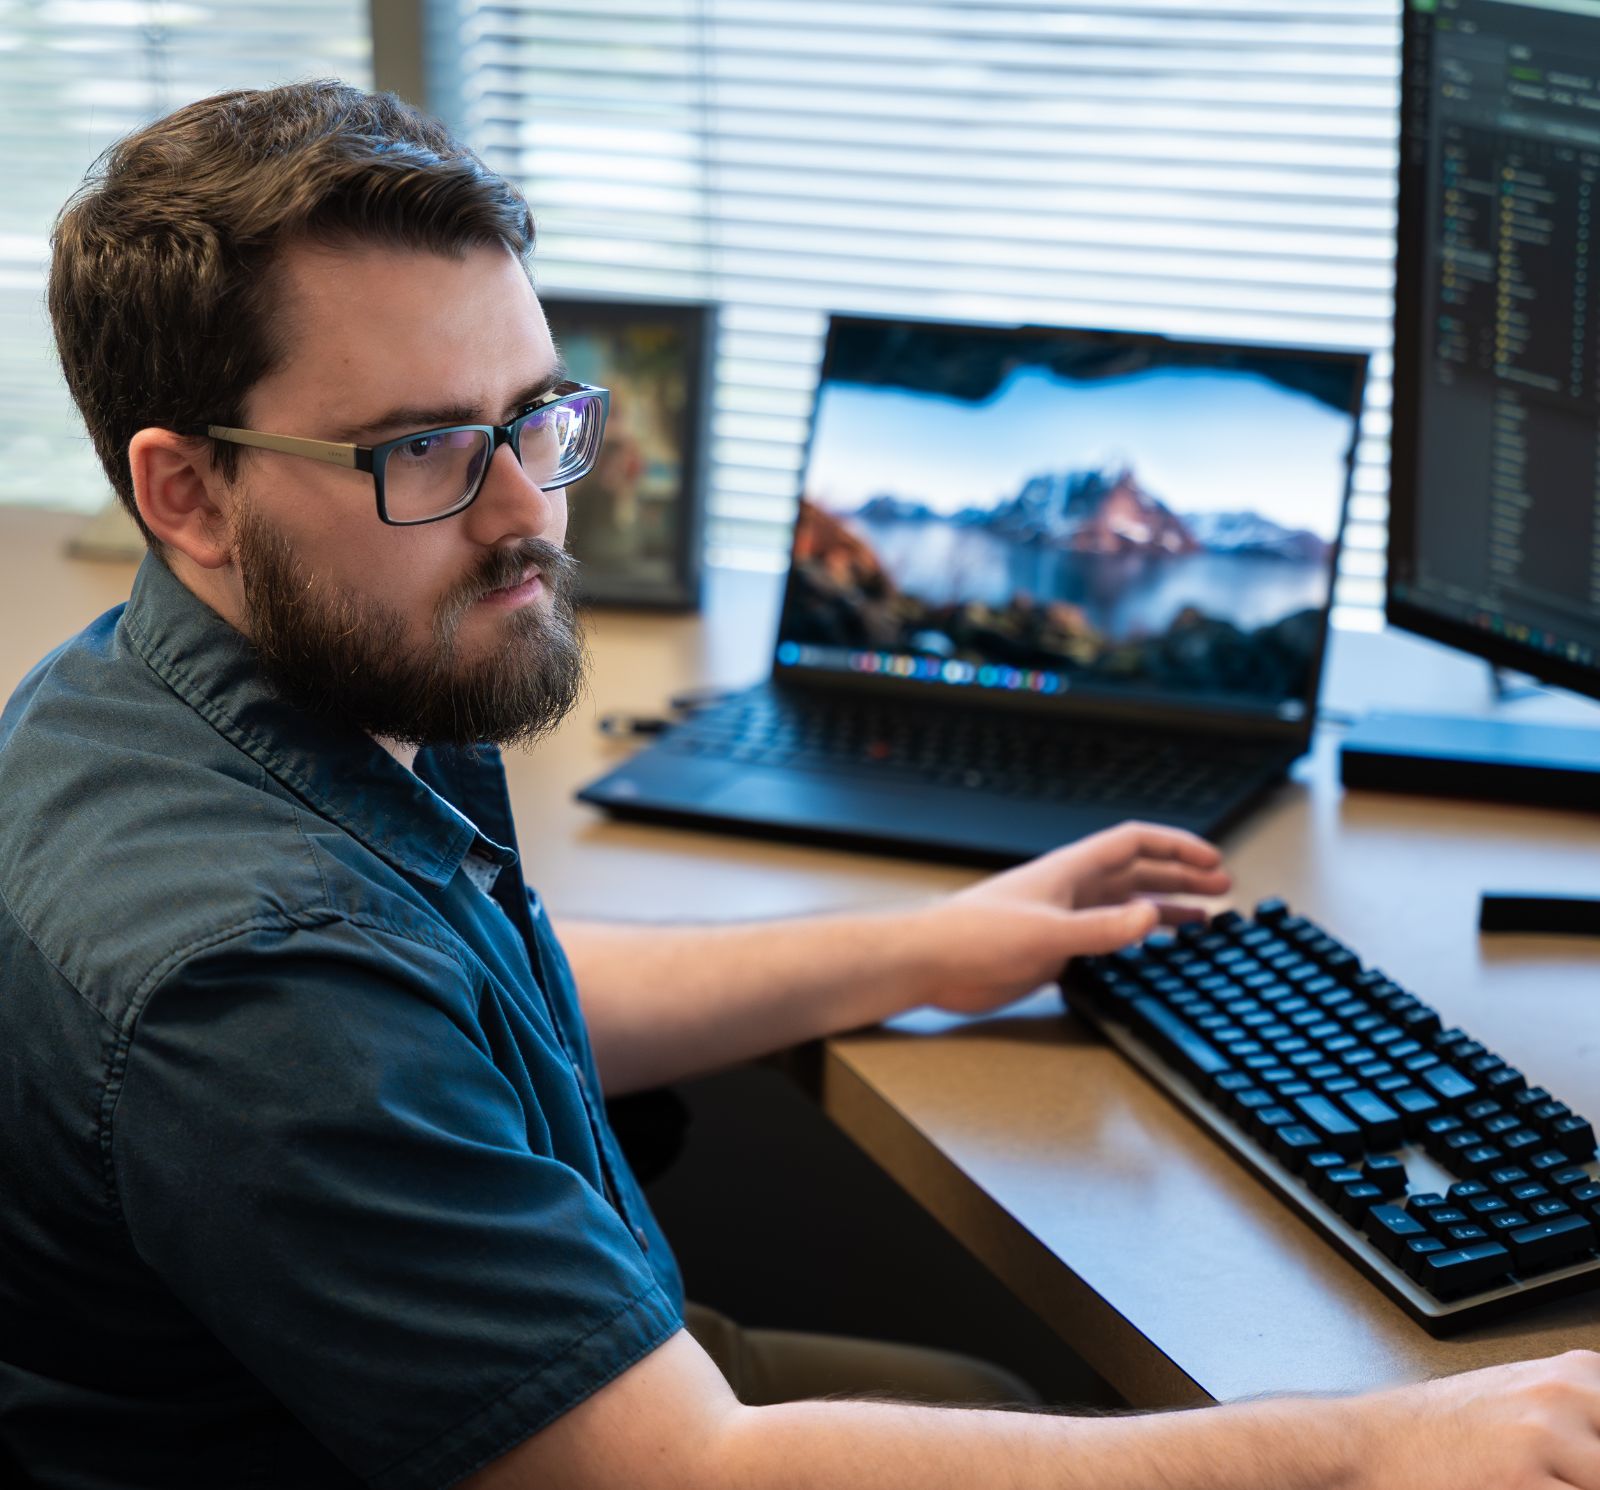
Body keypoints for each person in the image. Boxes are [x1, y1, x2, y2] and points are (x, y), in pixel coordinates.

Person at [2, 79, 1598, 1490]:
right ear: (187, 490)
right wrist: (1370, 1447)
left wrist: (932, 947)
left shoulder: (201, 683)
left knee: (993, 1399)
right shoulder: (254, 976)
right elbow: (678, 1469)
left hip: (483, 1389)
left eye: (539, 416)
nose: (527, 512)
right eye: (421, 448)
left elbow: (461, 1002)